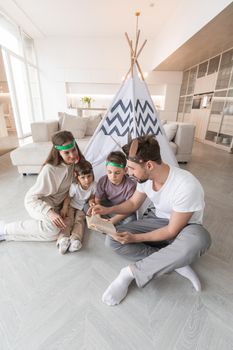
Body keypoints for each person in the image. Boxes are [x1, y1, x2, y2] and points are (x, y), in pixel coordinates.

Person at [91, 135, 211, 306]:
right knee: (112, 240)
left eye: (132, 168)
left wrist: (135, 238)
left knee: (200, 240)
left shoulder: (186, 185)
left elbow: (171, 231)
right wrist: (108, 209)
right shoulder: (145, 178)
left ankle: (129, 274)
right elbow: (133, 203)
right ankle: (172, 261)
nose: (130, 173)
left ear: (149, 165)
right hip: (157, 219)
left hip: (185, 227)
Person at [0, 130, 85, 243]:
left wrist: (65, 206)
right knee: (52, 229)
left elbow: (72, 188)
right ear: (59, 152)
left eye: (73, 150)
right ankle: (5, 228)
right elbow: (32, 198)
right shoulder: (50, 170)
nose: (72, 155)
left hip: (57, 204)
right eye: (67, 153)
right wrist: (49, 212)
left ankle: (6, 236)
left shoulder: (76, 164)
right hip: (37, 203)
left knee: (53, 235)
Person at [57, 160, 97, 254]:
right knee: (68, 220)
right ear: (77, 177)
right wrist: (65, 207)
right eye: (83, 177)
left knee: (79, 221)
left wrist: (91, 201)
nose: (87, 180)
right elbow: (68, 197)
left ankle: (75, 239)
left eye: (89, 176)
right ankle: (63, 239)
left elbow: (92, 196)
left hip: (82, 207)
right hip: (71, 205)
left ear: (92, 174)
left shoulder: (94, 185)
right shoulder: (74, 187)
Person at [94, 151, 136, 226]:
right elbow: (97, 200)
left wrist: (113, 220)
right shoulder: (103, 180)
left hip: (123, 210)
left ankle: (111, 224)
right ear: (106, 169)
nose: (113, 176)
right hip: (109, 206)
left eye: (117, 173)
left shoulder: (130, 186)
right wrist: (98, 216)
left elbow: (130, 208)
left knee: (131, 219)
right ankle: (106, 223)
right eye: (109, 172)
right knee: (87, 206)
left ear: (125, 171)